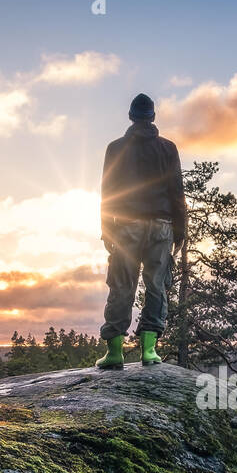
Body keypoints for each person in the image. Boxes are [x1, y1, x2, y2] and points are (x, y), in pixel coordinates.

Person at [96, 93, 187, 369]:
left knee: (122, 285)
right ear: (153, 117)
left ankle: (114, 353)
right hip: (161, 227)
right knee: (157, 285)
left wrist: (106, 230)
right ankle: (149, 351)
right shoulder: (168, 148)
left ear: (130, 117)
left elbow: (107, 193)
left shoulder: (115, 148)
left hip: (126, 226)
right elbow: (177, 193)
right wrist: (180, 233)